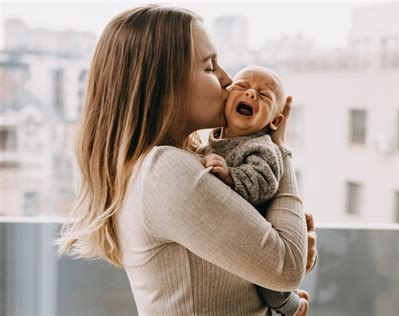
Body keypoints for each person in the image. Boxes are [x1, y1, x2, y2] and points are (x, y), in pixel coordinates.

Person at [56, 5, 317, 316]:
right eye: (209, 68)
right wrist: (277, 146)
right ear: (164, 85)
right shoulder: (164, 171)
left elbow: (274, 265)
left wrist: (275, 240)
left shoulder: (184, 162)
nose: (227, 80)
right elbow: (286, 267)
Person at [200, 65, 307, 315]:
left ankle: (291, 306)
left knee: (268, 285)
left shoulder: (262, 146)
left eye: (263, 94)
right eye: (242, 86)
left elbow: (264, 182)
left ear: (276, 120)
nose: (250, 95)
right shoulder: (214, 138)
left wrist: (230, 175)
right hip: (233, 235)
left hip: (262, 233)